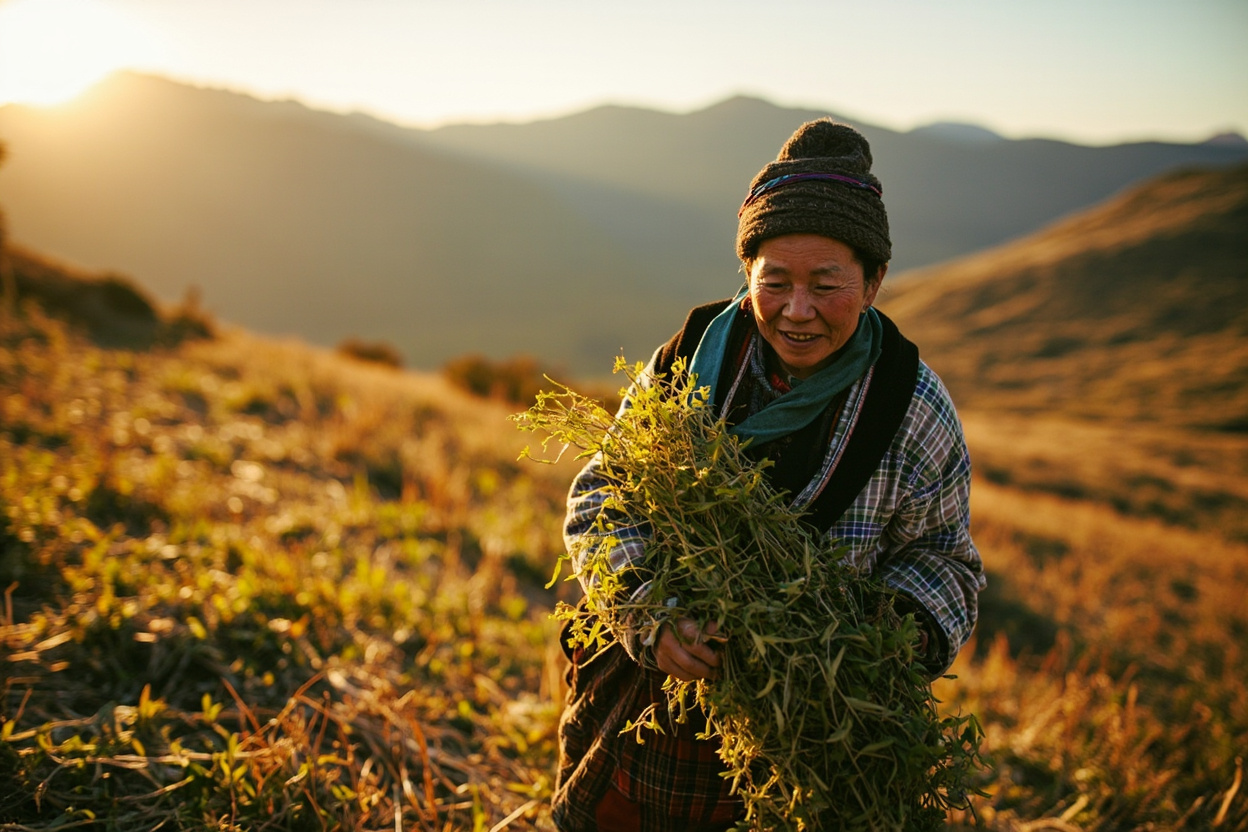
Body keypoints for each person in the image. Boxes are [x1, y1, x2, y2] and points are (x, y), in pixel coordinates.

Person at [551, 118, 985, 832]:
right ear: (748, 275)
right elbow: (605, 497)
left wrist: (860, 647)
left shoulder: (912, 408)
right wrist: (650, 614)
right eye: (774, 282)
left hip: (809, 731)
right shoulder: (691, 361)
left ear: (874, 281)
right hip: (657, 697)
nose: (798, 310)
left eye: (827, 284)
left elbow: (944, 562)